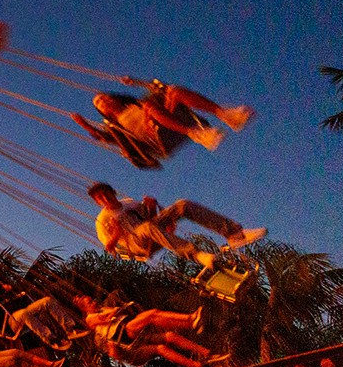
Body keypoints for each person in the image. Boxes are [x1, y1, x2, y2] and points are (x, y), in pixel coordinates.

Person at [73, 78, 255, 168]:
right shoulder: (114, 127)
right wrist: (84, 124)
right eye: (98, 103)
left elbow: (158, 88)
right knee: (149, 106)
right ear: (101, 111)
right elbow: (100, 137)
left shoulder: (137, 104)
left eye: (103, 97)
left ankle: (226, 115)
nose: (102, 101)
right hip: (155, 138)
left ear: (113, 98)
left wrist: (135, 82)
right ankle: (196, 133)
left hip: (163, 119)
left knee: (174, 91)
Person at [89, 182, 265, 268]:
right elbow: (109, 248)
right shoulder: (103, 219)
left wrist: (150, 207)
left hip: (150, 231)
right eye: (100, 198)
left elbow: (150, 221)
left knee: (182, 205)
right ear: (98, 202)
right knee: (145, 228)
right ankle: (196, 255)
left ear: (113, 192)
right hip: (137, 244)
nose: (105, 199)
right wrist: (116, 233)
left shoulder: (130, 203)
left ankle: (235, 234)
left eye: (106, 194)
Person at [74, 294, 226, 367]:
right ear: (84, 308)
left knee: (166, 333)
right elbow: (106, 318)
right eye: (90, 302)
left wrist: (116, 310)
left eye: (93, 300)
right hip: (124, 334)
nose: (94, 302)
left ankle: (205, 353)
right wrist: (115, 311)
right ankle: (191, 319)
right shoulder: (90, 318)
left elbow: (114, 312)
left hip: (133, 332)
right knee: (151, 315)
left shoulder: (102, 308)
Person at [0, 280, 89, 352]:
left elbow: (22, 300)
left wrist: (11, 290)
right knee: (23, 313)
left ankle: (69, 329)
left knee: (47, 301)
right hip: (11, 324)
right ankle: (51, 339)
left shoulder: (3, 295)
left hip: (24, 313)